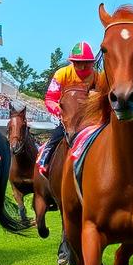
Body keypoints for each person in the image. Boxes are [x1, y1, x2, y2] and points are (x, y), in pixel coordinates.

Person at [38, 41, 98, 173]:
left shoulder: (98, 76)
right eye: (78, 63)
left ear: (92, 62)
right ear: (72, 62)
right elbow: (50, 99)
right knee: (55, 138)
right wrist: (57, 109)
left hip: (88, 119)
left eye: (86, 63)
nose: (82, 67)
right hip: (67, 117)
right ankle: (44, 159)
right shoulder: (61, 74)